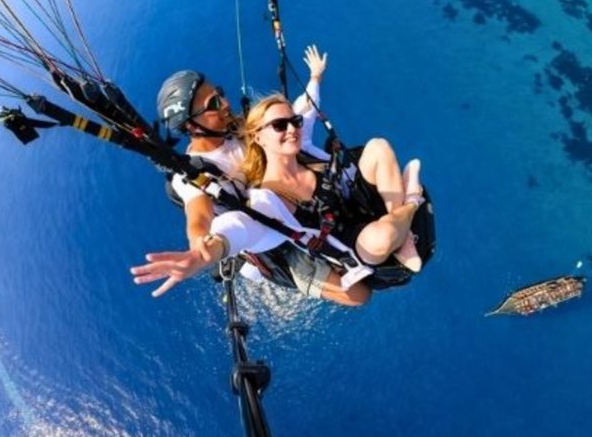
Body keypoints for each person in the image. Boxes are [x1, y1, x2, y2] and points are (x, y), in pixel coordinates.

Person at [132, 46, 371, 305]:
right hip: (269, 234)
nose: (225, 104)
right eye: (213, 104)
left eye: (219, 94)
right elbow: (198, 212)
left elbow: (292, 117)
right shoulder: (191, 173)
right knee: (359, 295)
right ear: (191, 126)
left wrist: (314, 79)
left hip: (292, 200)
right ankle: (251, 264)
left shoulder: (236, 128)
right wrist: (198, 246)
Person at [241, 93, 424, 272]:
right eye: (279, 125)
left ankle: (403, 236)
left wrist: (315, 78)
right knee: (382, 237)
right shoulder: (268, 200)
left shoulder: (306, 155)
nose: (291, 129)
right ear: (258, 137)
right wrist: (225, 245)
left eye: (295, 121)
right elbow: (247, 233)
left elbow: (309, 107)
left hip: (355, 205)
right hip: (354, 245)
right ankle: (412, 201)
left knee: (379, 146)